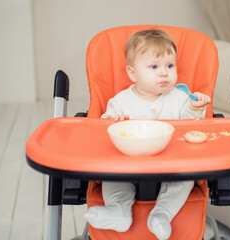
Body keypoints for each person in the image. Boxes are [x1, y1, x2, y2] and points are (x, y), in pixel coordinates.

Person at [84, 29, 211, 240]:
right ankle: (119, 211)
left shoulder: (180, 97)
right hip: (128, 166)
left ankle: (161, 214)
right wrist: (112, 121)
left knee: (185, 181)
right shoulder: (120, 101)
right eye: (154, 67)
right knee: (112, 179)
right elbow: (103, 128)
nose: (164, 73)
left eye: (170, 66)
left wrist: (195, 107)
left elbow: (192, 124)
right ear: (133, 73)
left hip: (172, 167)